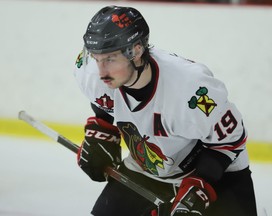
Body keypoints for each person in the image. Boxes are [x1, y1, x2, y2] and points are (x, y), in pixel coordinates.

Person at [74, 5, 258, 216]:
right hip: (146, 169)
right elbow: (102, 99)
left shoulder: (191, 90)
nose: (100, 71)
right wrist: (102, 128)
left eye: (110, 59)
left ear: (136, 51)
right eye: (97, 58)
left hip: (215, 174)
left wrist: (198, 188)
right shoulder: (90, 71)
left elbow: (229, 140)